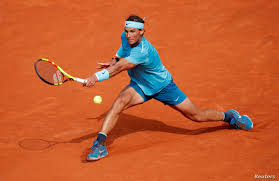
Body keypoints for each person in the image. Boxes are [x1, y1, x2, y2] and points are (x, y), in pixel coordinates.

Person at [83, 15, 253, 161]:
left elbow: (120, 68)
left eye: (133, 32)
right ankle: (99, 143)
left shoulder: (143, 51)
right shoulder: (125, 37)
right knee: (119, 103)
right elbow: (122, 53)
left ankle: (229, 116)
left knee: (197, 116)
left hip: (163, 86)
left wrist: (95, 77)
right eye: (126, 31)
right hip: (140, 86)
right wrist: (115, 59)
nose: (128, 35)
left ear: (142, 32)